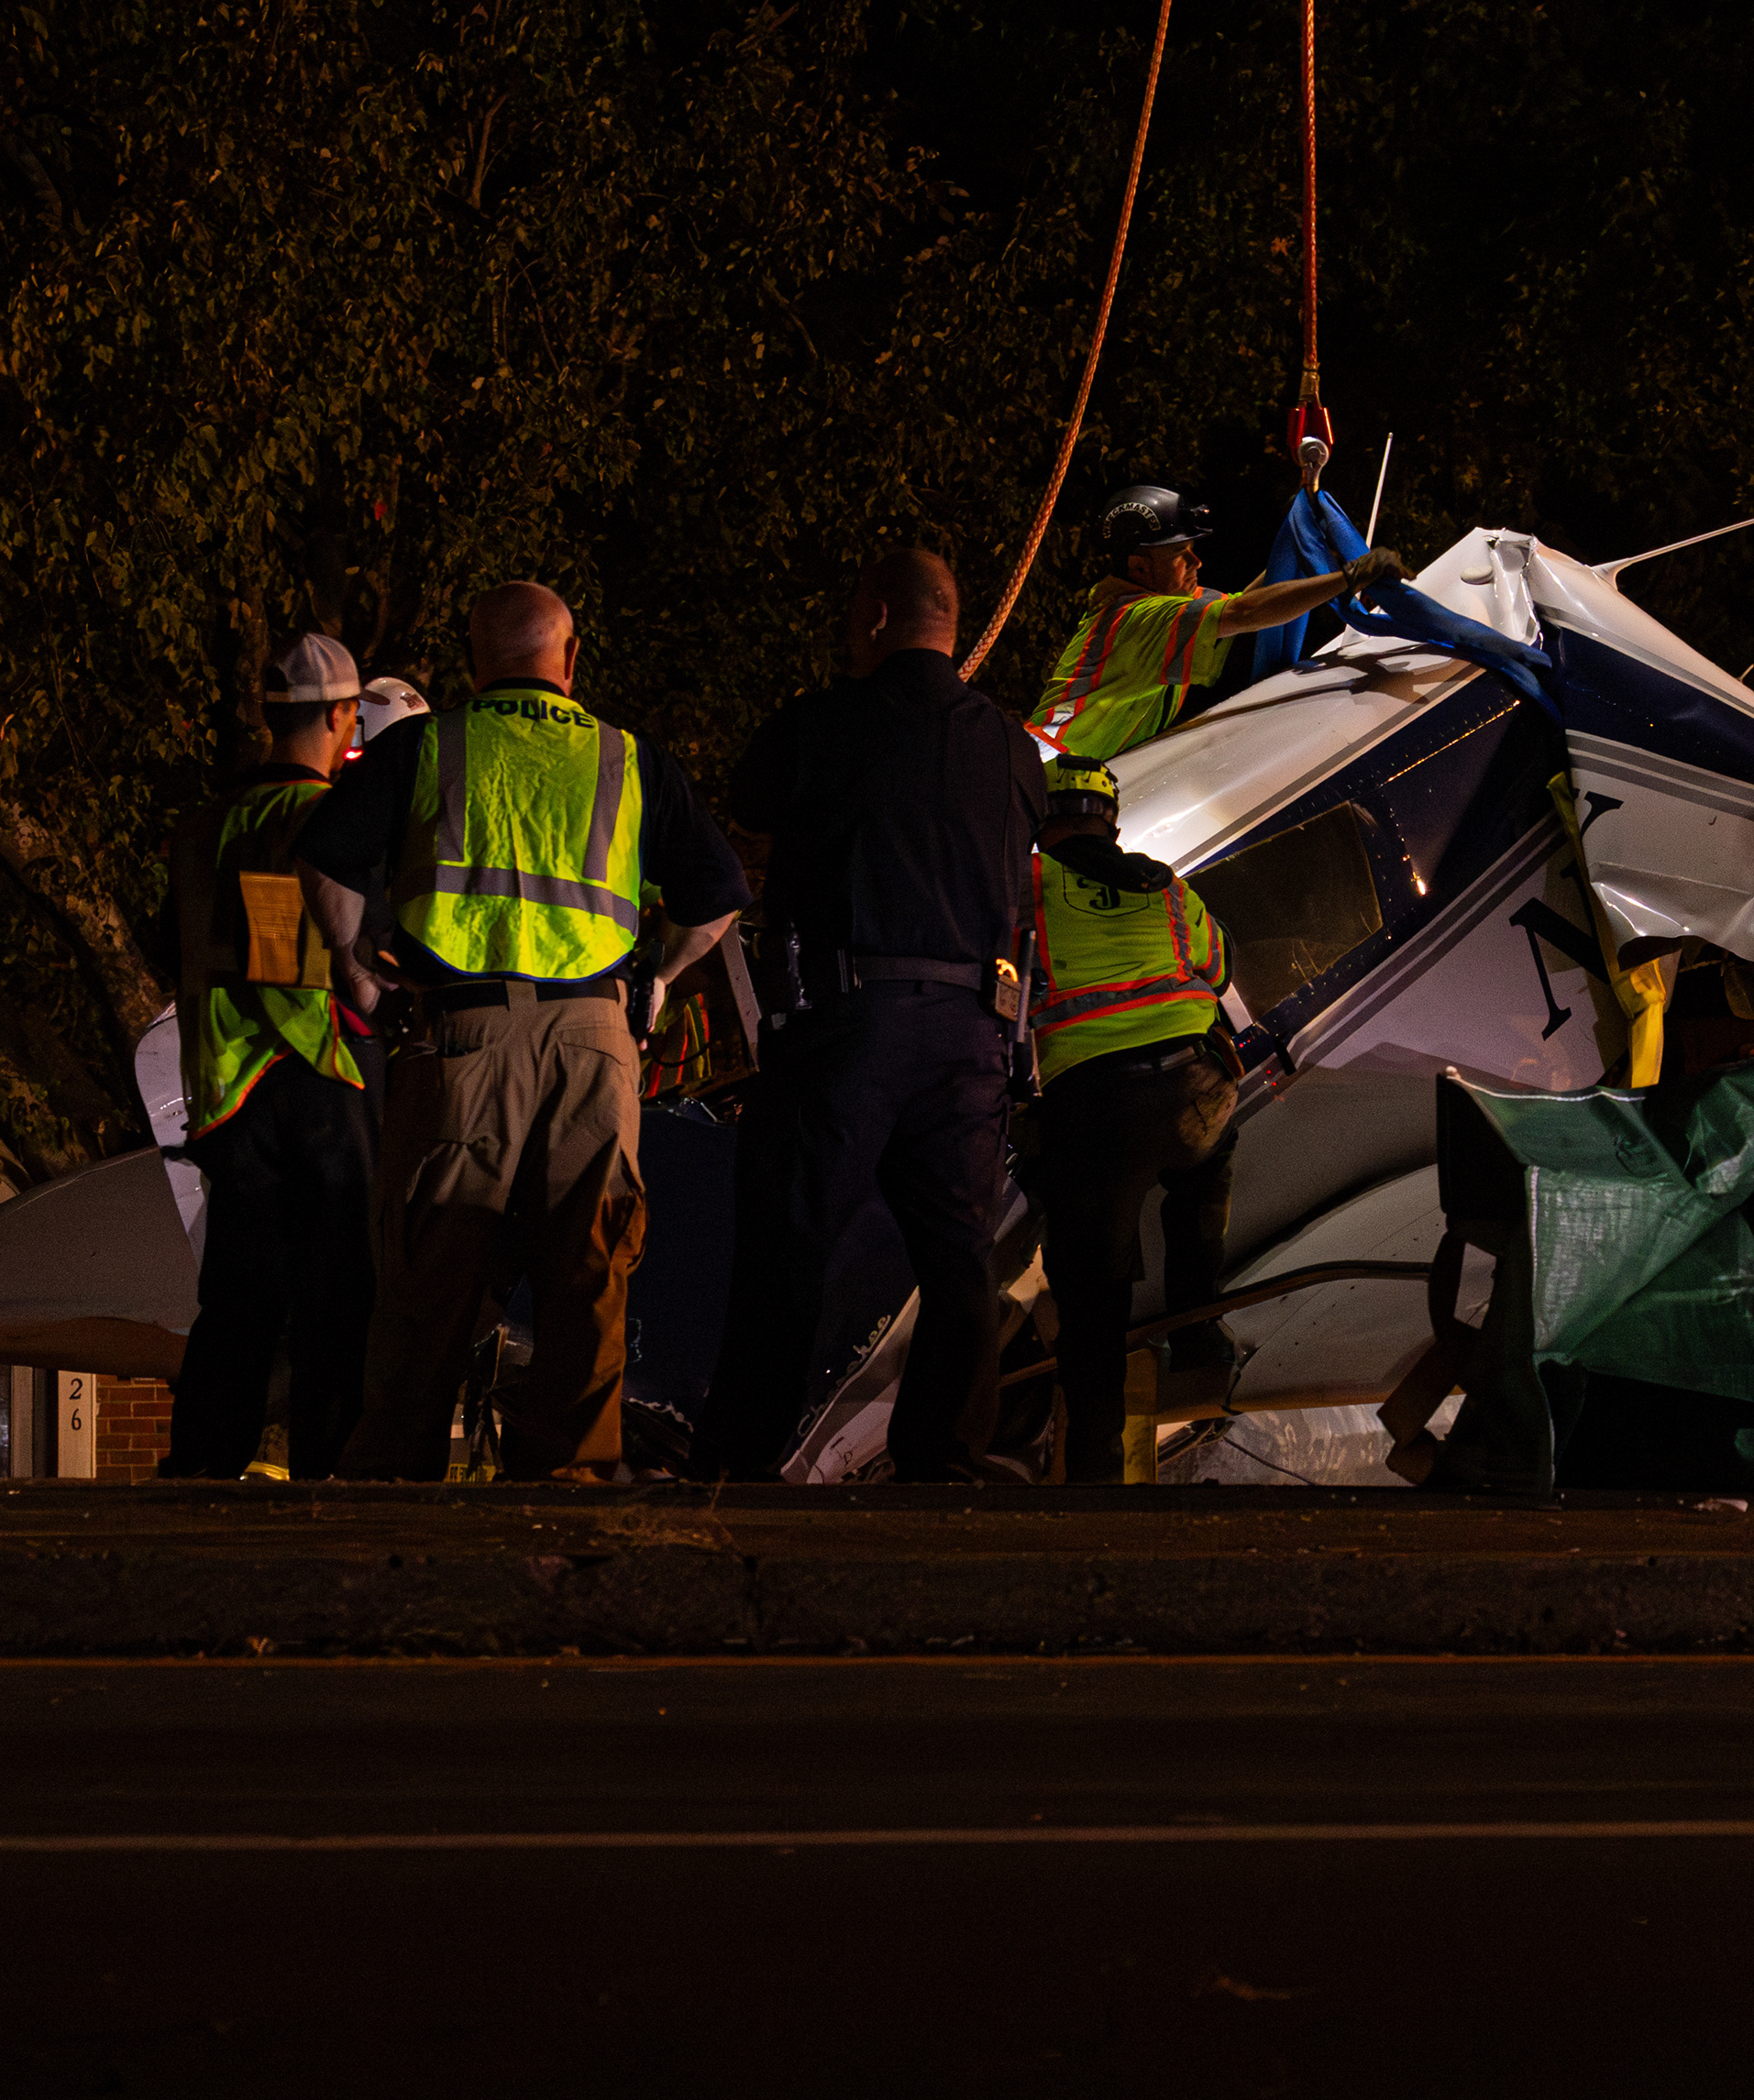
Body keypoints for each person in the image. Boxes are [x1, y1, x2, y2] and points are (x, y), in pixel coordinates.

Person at [294, 583, 745, 1481]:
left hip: (460, 1048)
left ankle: (393, 1512)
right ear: (570, 660)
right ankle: (567, 1507)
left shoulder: (427, 747)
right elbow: (719, 893)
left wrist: (357, 971)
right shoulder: (627, 760)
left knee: (428, 1291)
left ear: (472, 659)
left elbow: (328, 855)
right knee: (589, 1284)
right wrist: (655, 976)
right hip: (594, 1047)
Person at [691, 549, 1046, 1483]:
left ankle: (737, 1459)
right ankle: (944, 1461)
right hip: (974, 1031)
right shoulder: (1012, 746)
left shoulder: (824, 723)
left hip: (851, 1023)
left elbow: (751, 799)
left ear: (879, 617)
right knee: (960, 1255)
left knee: (789, 1241)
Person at [156, 633, 380, 1479]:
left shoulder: (204, 823)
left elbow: (167, 941)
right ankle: (331, 1473)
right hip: (320, 1072)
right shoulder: (331, 816)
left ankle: (202, 1469)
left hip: (226, 1086)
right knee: (337, 1299)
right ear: (339, 715)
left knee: (239, 1299)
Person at [1026, 755, 1244, 1482]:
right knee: (1205, 1173)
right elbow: (1219, 970)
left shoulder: (1027, 883)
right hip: (1193, 1091)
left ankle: (1094, 1469)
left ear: (1043, 817)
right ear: (1111, 823)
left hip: (1096, 1110)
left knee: (1093, 1302)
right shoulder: (1169, 889)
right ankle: (1197, 1329)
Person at [1028, 485, 1399, 757]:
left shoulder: (1156, 605)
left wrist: (1306, 554)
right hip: (1045, 765)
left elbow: (1249, 601)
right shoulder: (1139, 619)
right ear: (1139, 566)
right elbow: (1247, 614)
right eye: (1180, 555)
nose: (1197, 564)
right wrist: (1348, 578)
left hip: (1061, 771)